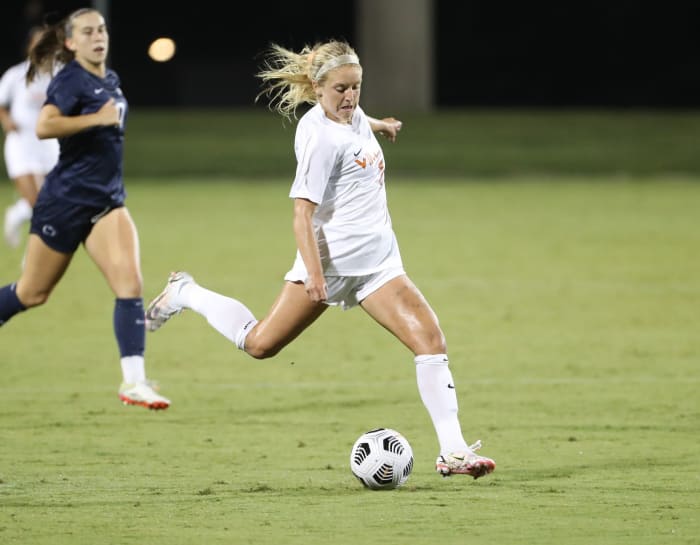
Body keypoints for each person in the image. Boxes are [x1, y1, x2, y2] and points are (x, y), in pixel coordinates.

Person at [146, 40, 495, 477]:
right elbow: (301, 213)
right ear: (318, 87)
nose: (350, 98)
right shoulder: (320, 140)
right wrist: (313, 275)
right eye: (341, 90)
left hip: (379, 266)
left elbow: (356, 120)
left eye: (356, 88)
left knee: (431, 342)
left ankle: (453, 451)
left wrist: (380, 123)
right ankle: (186, 291)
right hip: (328, 266)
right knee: (260, 345)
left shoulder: (351, 117)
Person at [0, 8, 169, 410]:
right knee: (32, 292)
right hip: (64, 203)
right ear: (71, 43)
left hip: (107, 201)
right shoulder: (70, 79)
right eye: (88, 32)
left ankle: (134, 382)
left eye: (102, 29)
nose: (98, 36)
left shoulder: (109, 78)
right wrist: (95, 119)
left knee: (130, 285)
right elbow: (45, 125)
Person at [0, 26, 59, 249]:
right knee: (39, 207)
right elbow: (1, 104)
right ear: (30, 46)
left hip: (48, 145)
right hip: (21, 144)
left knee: (50, 202)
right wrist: (6, 120)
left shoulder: (58, 76)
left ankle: (16, 214)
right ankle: (34, 260)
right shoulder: (16, 75)